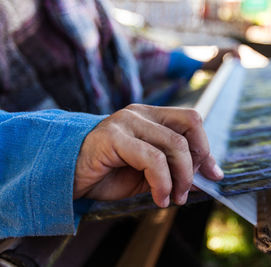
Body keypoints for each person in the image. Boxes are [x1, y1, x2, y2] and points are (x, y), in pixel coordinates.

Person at [0, 0, 235, 238]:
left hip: (110, 182)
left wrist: (199, 62)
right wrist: (70, 150)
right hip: (42, 221)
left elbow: (117, 48)